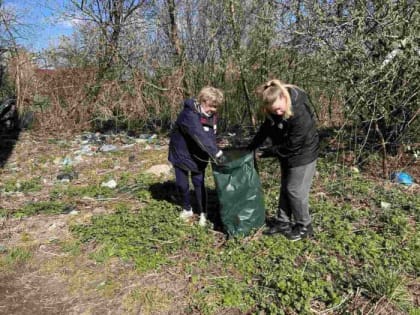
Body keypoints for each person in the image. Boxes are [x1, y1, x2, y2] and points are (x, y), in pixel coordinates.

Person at [247, 79, 319, 241]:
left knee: (295, 190)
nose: (278, 113)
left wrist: (268, 152)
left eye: (279, 109)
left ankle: (304, 226)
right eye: (273, 111)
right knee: (286, 187)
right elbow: (266, 128)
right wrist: (252, 147)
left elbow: (294, 144)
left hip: (303, 153)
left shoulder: (300, 112)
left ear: (284, 98)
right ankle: (283, 222)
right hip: (286, 150)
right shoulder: (274, 109)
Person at [168, 86, 225, 226]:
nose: (213, 109)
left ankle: (203, 213)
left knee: (199, 184)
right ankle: (187, 208)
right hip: (181, 154)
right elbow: (199, 135)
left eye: (216, 107)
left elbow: (210, 136)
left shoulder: (211, 117)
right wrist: (216, 153)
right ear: (203, 101)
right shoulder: (188, 115)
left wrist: (213, 151)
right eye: (211, 106)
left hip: (198, 156)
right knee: (182, 185)